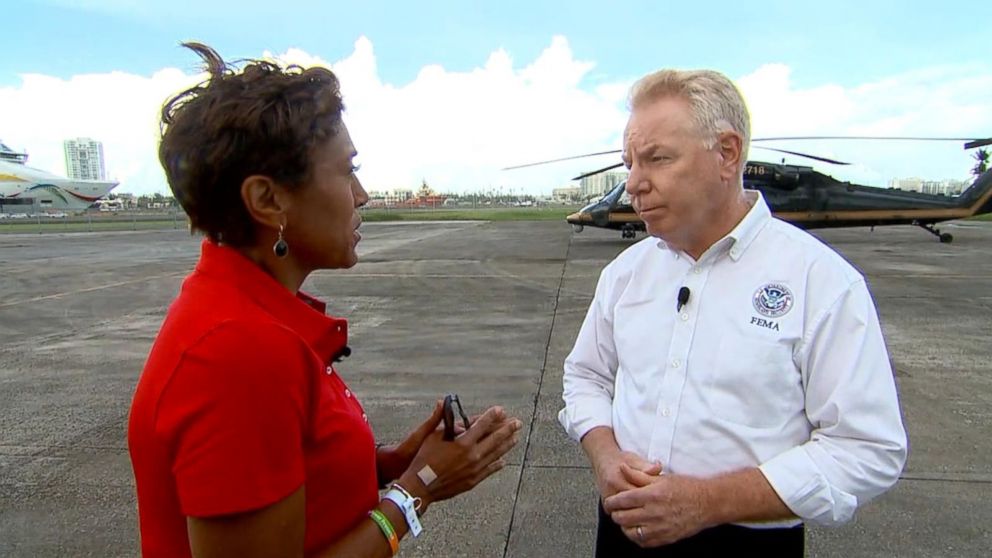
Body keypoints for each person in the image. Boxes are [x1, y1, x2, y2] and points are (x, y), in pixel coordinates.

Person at [127, 42, 522, 558]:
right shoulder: (238, 351)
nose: (361, 195)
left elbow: (292, 466)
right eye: (347, 170)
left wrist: (391, 462)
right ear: (268, 200)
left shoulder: (243, 316)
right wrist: (418, 488)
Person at [558, 69, 907, 556]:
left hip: (747, 541)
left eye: (656, 159)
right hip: (623, 533)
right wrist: (606, 456)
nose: (634, 183)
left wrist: (707, 502)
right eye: (630, 163)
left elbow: (867, 449)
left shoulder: (820, 281)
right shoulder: (626, 273)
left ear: (726, 153)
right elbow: (586, 377)